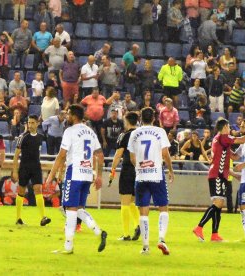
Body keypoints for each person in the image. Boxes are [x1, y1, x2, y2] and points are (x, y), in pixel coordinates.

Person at [47, 104, 107, 254]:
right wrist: (99, 175)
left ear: (74, 116)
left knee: (71, 209)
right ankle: (99, 232)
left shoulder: (70, 131)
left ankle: (68, 246)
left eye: (68, 114)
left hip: (74, 173)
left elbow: (61, 155)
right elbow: (100, 155)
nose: (66, 116)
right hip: (87, 173)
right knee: (79, 208)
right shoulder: (91, 132)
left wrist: (51, 175)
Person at [193, 119, 245, 242]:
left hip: (218, 174)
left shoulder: (219, 139)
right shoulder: (223, 137)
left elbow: (232, 157)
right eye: (229, 126)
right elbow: (242, 140)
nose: (230, 128)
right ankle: (199, 227)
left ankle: (214, 234)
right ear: (225, 127)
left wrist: (234, 174)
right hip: (218, 176)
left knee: (219, 206)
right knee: (218, 204)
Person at [127, 107, 174, 255]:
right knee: (163, 207)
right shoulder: (160, 132)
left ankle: (145, 247)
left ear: (141, 118)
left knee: (143, 211)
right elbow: (165, 153)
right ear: (154, 118)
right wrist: (170, 170)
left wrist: (140, 168)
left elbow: (132, 158)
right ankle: (161, 239)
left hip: (141, 176)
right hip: (156, 175)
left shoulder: (134, 133)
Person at [12, 115, 51, 226]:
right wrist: (14, 171)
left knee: (38, 189)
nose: (30, 125)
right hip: (24, 166)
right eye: (29, 122)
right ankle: (18, 218)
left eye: (33, 122)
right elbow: (16, 155)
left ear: (37, 123)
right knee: (21, 191)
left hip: (36, 167)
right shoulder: (23, 137)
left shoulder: (40, 137)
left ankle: (43, 217)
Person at [109, 112, 141, 241]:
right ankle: (138, 224)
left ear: (127, 121)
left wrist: (112, 171)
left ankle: (126, 234)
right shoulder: (141, 134)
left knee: (124, 202)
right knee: (132, 201)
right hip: (139, 170)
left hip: (128, 169)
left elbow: (118, 155)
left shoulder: (125, 135)